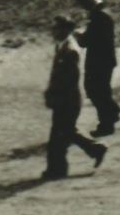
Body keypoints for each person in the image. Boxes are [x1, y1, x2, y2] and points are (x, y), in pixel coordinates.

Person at [43, 16, 108, 180]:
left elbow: (69, 79)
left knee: (58, 136)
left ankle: (56, 170)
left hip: (67, 99)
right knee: (67, 131)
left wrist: (56, 95)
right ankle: (95, 149)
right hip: (66, 98)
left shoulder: (70, 50)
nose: (53, 31)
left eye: (56, 28)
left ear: (65, 29)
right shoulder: (64, 46)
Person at [73, 0, 120, 137]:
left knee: (96, 91)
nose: (83, 8)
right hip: (103, 59)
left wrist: (76, 35)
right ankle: (112, 112)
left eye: (83, 4)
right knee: (100, 90)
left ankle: (107, 124)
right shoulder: (101, 12)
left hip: (100, 60)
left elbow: (87, 41)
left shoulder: (100, 16)